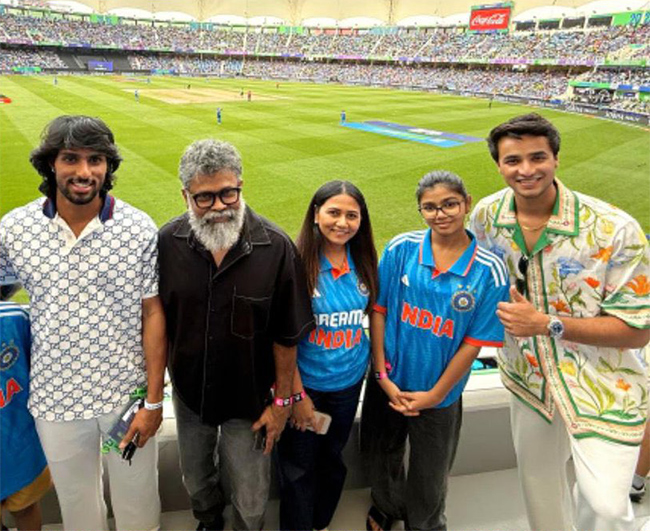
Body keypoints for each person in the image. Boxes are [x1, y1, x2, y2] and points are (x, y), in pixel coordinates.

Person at [469, 112, 650, 531]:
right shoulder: (485, 216)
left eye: (538, 157)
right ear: (498, 165)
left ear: (556, 159)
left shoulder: (614, 229)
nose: (526, 170)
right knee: (541, 494)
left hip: (603, 381)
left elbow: (639, 330)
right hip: (528, 378)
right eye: (513, 161)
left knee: (606, 507)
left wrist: (547, 323)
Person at [0, 115, 166, 531]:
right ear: (50, 164)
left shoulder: (137, 227)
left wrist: (154, 400)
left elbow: (153, 314)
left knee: (137, 498)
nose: (84, 172)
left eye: (96, 160)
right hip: (55, 400)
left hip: (124, 398)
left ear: (108, 166)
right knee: (77, 503)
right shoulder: (15, 228)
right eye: (70, 158)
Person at [158, 139, 315, 531]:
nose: (219, 207)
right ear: (185, 195)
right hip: (191, 395)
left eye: (229, 193)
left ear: (241, 185)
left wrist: (281, 402)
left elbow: (286, 334)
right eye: (204, 198)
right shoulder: (167, 243)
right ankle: (209, 523)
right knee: (195, 479)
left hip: (251, 400)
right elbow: (157, 322)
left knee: (250, 492)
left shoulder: (275, 247)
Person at [362, 171, 509, 531]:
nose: (440, 214)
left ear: (466, 203)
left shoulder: (490, 271)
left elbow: (473, 343)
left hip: (438, 394)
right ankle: (386, 506)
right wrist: (381, 376)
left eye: (449, 204)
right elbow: (378, 311)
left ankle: (424, 524)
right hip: (388, 382)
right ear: (420, 210)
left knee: (431, 473)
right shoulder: (401, 249)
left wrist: (436, 394)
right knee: (381, 455)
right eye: (429, 207)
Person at [277, 181, 378, 531]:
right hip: (307, 385)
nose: (342, 222)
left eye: (352, 215)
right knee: (298, 465)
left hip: (348, 384)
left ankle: (319, 521)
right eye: (334, 212)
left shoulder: (363, 261)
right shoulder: (296, 263)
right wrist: (298, 395)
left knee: (333, 457)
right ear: (316, 213)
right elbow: (283, 338)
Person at [0, 284, 52, 531]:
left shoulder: (13, 317)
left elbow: (39, 367)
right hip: (20, 438)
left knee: (26, 507)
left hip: (18, 439)